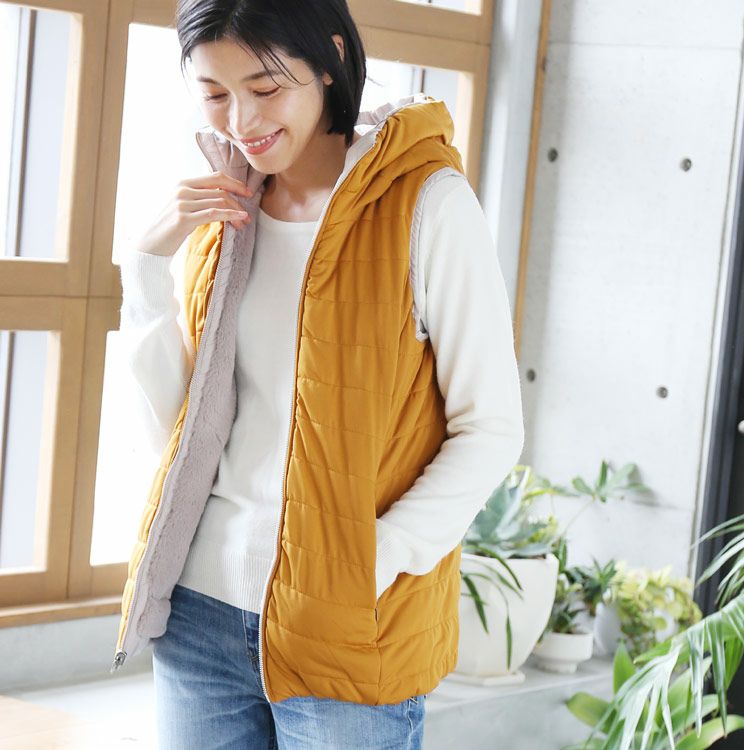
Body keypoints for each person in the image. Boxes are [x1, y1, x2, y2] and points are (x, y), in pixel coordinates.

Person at [113, 0, 525, 747]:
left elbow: (490, 428)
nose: (241, 119)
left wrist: (372, 562)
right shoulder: (226, 211)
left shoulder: (426, 203)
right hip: (201, 614)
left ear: (329, 58)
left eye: (265, 88)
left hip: (347, 630)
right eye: (214, 93)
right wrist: (145, 267)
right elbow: (177, 435)